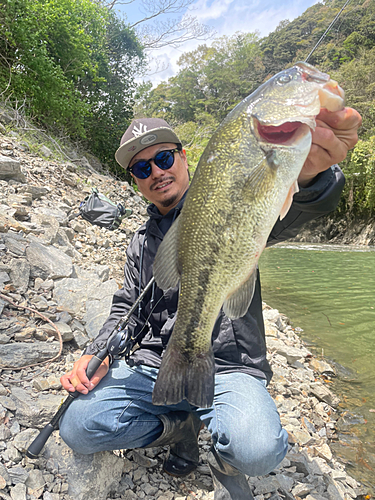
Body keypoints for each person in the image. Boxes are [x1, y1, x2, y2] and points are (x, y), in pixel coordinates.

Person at [59, 108, 361, 499]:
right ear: (135, 182)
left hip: (229, 366)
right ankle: (180, 428)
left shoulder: (232, 205)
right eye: (141, 169)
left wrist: (313, 175)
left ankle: (225, 457)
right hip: (157, 365)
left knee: (258, 451)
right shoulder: (140, 243)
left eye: (163, 158)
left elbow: (300, 208)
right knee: (78, 426)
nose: (156, 172)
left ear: (184, 158)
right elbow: (126, 309)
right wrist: (96, 354)